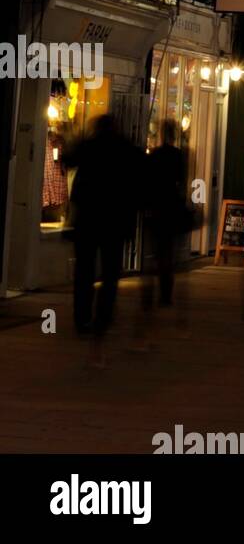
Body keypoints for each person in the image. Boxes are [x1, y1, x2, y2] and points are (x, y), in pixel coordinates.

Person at [67, 115, 144, 366]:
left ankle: (82, 317)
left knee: (85, 270)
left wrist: (75, 139)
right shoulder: (127, 149)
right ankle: (104, 316)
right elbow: (138, 185)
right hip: (114, 220)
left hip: (88, 218)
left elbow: (67, 162)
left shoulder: (89, 146)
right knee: (111, 273)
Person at [141, 121, 189, 316]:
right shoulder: (178, 156)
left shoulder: (155, 155)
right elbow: (181, 181)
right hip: (171, 207)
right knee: (169, 252)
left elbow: (148, 181)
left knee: (157, 251)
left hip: (157, 207)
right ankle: (166, 293)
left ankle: (151, 293)